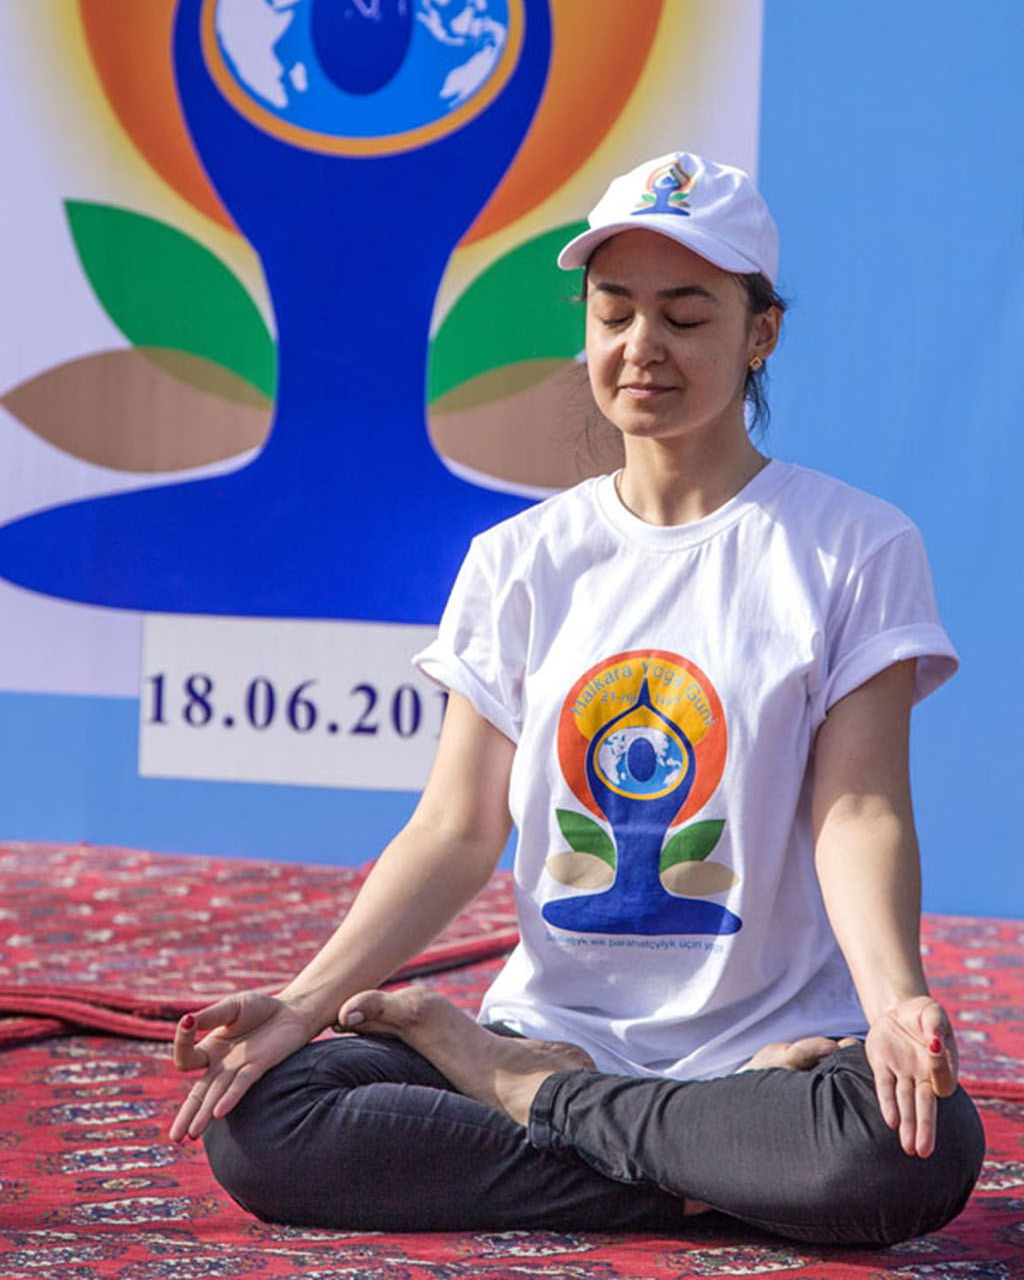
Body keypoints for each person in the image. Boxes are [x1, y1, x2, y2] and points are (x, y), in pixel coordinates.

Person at [170, 152, 984, 1247]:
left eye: (686, 316)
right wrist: (305, 1002)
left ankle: (533, 1096)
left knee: (898, 1155)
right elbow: (456, 825)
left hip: (770, 1049)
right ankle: (686, 1153)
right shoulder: (519, 559)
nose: (642, 347)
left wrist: (891, 1006)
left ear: (760, 334)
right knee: (264, 1118)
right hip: (549, 1021)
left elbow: (858, 810)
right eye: (616, 312)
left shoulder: (853, 545)